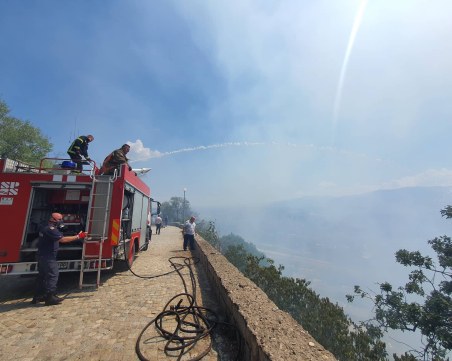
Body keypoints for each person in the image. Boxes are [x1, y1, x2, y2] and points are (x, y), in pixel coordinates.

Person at [32, 213, 88, 306]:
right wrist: (79, 236)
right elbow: (63, 240)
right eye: (60, 219)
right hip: (48, 256)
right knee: (53, 275)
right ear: (53, 219)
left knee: (42, 277)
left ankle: (38, 296)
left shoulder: (45, 226)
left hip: (42, 255)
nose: (61, 221)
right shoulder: (51, 229)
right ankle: (50, 297)